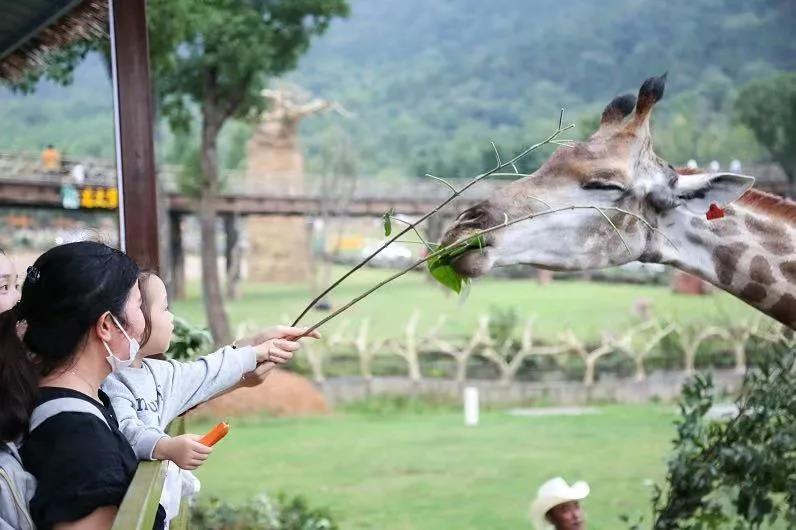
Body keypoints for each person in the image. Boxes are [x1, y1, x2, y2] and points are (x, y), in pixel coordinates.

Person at [102, 272, 318, 525]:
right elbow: (127, 430)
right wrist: (165, 447)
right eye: (164, 308)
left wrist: (254, 351)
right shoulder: (113, 382)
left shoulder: (156, 372)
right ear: (124, 322)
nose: (172, 317)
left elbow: (205, 372)